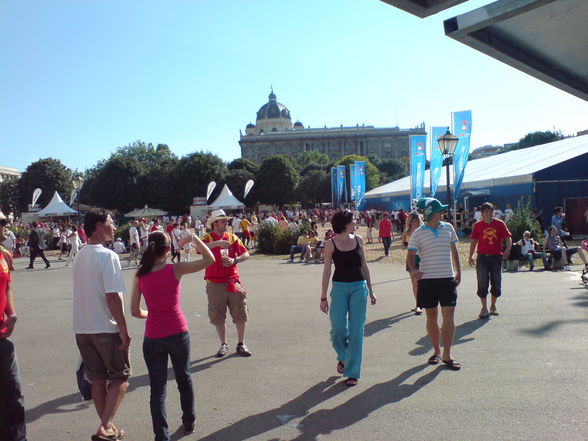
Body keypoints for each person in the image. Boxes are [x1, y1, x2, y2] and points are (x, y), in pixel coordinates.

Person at [131, 231, 214, 441]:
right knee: (183, 379)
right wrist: (194, 238)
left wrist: (152, 314)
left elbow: (134, 311)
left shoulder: (140, 274)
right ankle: (189, 420)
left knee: (157, 390)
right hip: (177, 331)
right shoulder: (175, 269)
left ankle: (161, 435)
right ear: (168, 250)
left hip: (153, 337)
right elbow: (209, 259)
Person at [72, 211, 131, 441]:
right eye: (110, 223)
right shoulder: (107, 256)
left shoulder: (79, 256)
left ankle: (108, 428)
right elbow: (112, 297)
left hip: (82, 327)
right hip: (105, 327)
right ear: (98, 226)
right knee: (121, 377)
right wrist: (124, 330)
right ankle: (105, 426)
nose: (114, 226)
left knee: (97, 379)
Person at [320, 210, 376, 386]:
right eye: (353, 219)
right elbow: (327, 271)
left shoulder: (359, 240)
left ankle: (352, 372)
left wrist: (372, 290)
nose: (356, 221)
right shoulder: (331, 243)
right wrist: (323, 297)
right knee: (337, 328)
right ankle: (344, 356)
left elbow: (364, 266)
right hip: (339, 289)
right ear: (345, 223)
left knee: (356, 330)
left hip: (359, 287)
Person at [407, 198, 461, 370]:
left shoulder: (448, 228)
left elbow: (454, 251)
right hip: (427, 280)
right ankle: (436, 351)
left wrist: (458, 271)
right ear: (430, 213)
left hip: (447, 279)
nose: (442, 213)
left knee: (449, 317)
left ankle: (447, 354)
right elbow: (410, 255)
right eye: (439, 210)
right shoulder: (418, 233)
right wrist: (414, 270)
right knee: (432, 317)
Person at [201, 209, 252, 357]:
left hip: (232, 280)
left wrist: (235, 260)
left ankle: (241, 344)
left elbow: (246, 253)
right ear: (215, 223)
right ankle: (223, 344)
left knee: (240, 313)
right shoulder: (207, 237)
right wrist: (217, 244)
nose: (226, 223)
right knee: (217, 315)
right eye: (223, 221)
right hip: (214, 283)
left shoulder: (232, 237)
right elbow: (198, 248)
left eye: (226, 220)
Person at [0, 213, 27, 441]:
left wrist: (12, 315)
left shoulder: (4, 255)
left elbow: (7, 287)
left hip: (2, 338)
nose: (5, 225)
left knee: (13, 396)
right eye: (0, 222)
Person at [469, 202, 512, 319]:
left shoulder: (500, 224)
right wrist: (471, 255)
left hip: (496, 257)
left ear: (493, 212)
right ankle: (484, 307)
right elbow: (473, 241)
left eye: (490, 211)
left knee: (496, 282)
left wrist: (507, 249)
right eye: (486, 211)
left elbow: (508, 238)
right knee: (482, 282)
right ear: (482, 213)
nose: (488, 214)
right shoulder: (477, 226)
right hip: (482, 257)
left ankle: (493, 305)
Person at [402, 212, 423, 315]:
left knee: (423, 283)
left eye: (417, 221)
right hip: (412, 259)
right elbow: (404, 245)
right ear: (410, 222)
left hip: (423, 258)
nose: (415, 223)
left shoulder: (424, 231)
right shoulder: (407, 233)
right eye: (413, 221)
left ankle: (424, 302)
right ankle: (418, 305)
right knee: (415, 283)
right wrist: (406, 246)